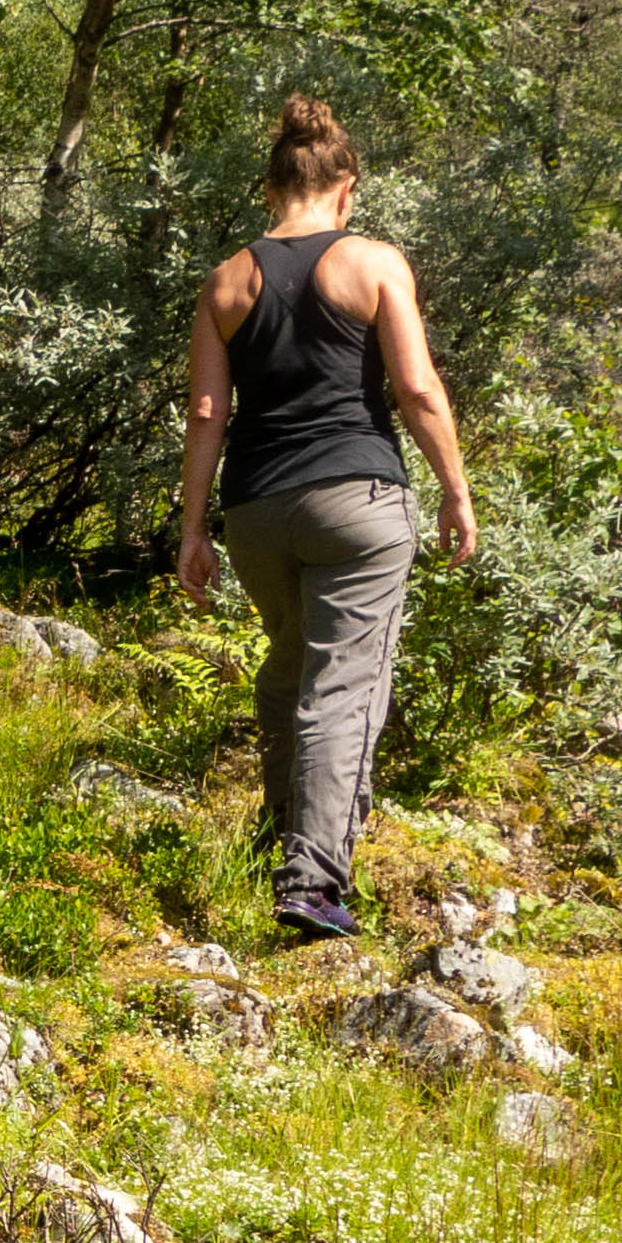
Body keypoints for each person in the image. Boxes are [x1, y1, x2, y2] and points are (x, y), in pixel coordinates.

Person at [174, 97, 476, 945]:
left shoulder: (227, 280)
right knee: (342, 686)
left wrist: (193, 529)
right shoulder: (374, 263)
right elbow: (416, 389)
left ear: (270, 190)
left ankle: (283, 834)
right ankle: (312, 880)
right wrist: (455, 487)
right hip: (359, 504)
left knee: (289, 672)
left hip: (258, 509)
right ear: (346, 188)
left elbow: (205, 413)